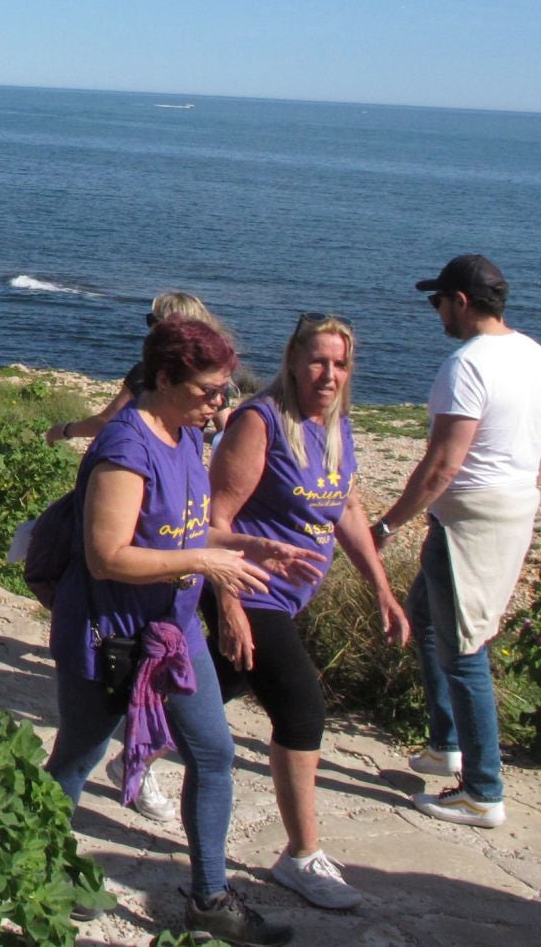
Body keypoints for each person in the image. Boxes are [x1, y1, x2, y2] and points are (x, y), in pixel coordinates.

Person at [44, 318, 317, 947]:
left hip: (172, 629)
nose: (220, 403)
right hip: (109, 635)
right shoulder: (124, 445)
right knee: (77, 759)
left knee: (215, 755)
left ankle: (210, 899)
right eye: (208, 390)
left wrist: (249, 544)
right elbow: (108, 554)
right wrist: (203, 562)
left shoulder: (187, 434)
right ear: (164, 379)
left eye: (224, 390)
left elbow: (186, 531)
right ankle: (38, 869)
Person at [206, 313, 409, 909]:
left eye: (340, 363)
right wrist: (229, 604)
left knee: (200, 693)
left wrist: (380, 586)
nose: (328, 374)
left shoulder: (335, 425)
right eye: (317, 360)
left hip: (288, 598)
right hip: (250, 589)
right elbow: (211, 522)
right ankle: (300, 857)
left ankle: (129, 737)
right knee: (301, 709)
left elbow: (345, 504)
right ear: (293, 360)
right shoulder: (259, 422)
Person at [372, 255, 541, 829]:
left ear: (461, 300)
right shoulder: (538, 356)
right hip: (506, 506)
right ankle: (444, 744)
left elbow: (440, 466)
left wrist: (386, 525)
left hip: (471, 521)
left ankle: (482, 790)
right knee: (427, 617)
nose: (436, 313)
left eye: (438, 302)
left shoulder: (467, 364)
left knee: (465, 648)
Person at [48, 292, 239, 445]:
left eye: (152, 321)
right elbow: (228, 432)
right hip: (186, 466)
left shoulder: (150, 372)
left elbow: (106, 422)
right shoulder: (214, 377)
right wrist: (196, 436)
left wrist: (65, 430)